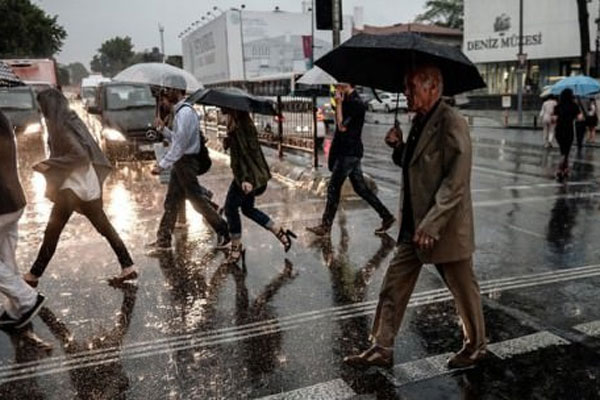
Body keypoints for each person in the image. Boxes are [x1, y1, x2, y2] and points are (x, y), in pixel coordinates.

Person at [344, 65, 486, 370]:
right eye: (406, 88)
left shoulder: (451, 121)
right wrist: (399, 148)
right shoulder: (420, 120)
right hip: (413, 224)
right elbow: (418, 165)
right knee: (392, 285)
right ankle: (382, 346)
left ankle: (475, 347)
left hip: (444, 226)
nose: (406, 93)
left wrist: (434, 222)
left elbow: (456, 179)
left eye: (411, 88)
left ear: (432, 87)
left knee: (464, 290)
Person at [23, 89, 137, 288]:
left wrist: (49, 165)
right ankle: (127, 266)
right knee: (105, 228)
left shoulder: (63, 127)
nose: (42, 113)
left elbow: (80, 156)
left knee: (53, 231)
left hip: (73, 188)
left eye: (43, 108)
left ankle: (33, 275)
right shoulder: (69, 120)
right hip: (86, 186)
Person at [150, 75, 229, 252]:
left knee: (197, 200)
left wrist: (161, 165)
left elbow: (179, 146)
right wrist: (163, 129)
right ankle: (163, 240)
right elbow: (178, 139)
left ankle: (224, 231)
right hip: (181, 162)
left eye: (169, 89)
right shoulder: (180, 112)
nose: (166, 92)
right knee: (171, 201)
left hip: (186, 162)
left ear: (178, 91)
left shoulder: (185, 113)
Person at [306, 83, 395, 237]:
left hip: (349, 152)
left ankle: (325, 226)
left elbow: (341, 127)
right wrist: (338, 104)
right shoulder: (347, 100)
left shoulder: (356, 104)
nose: (335, 85)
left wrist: (339, 104)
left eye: (339, 82)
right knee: (361, 189)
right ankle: (386, 216)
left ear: (347, 84)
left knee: (333, 188)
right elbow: (337, 122)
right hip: (347, 151)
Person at [221, 109, 296, 263]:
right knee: (247, 209)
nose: (220, 110)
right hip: (245, 175)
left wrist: (247, 179)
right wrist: (229, 141)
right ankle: (279, 232)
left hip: (246, 176)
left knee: (230, 208)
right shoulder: (237, 124)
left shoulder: (241, 126)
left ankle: (236, 248)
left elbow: (248, 154)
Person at [0, 110, 47, 328]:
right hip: (12, 199)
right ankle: (15, 308)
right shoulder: (2, 117)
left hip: (1, 203)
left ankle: (27, 299)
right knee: (6, 257)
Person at [553, 88, 583, 180]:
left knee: (563, 150)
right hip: (569, 130)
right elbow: (579, 118)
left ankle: (564, 169)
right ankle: (560, 169)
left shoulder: (558, 106)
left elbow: (554, 118)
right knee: (566, 151)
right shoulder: (574, 106)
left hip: (559, 130)